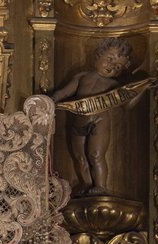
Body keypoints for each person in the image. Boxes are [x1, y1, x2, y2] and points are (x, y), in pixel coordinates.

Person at [51, 38, 134, 196]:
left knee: (96, 155)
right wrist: (52, 100)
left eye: (118, 67)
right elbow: (65, 92)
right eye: (110, 59)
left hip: (99, 121)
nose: (111, 67)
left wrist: (141, 89)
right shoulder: (82, 76)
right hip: (79, 121)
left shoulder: (113, 85)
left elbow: (127, 104)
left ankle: (100, 186)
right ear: (98, 55)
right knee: (79, 157)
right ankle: (87, 184)